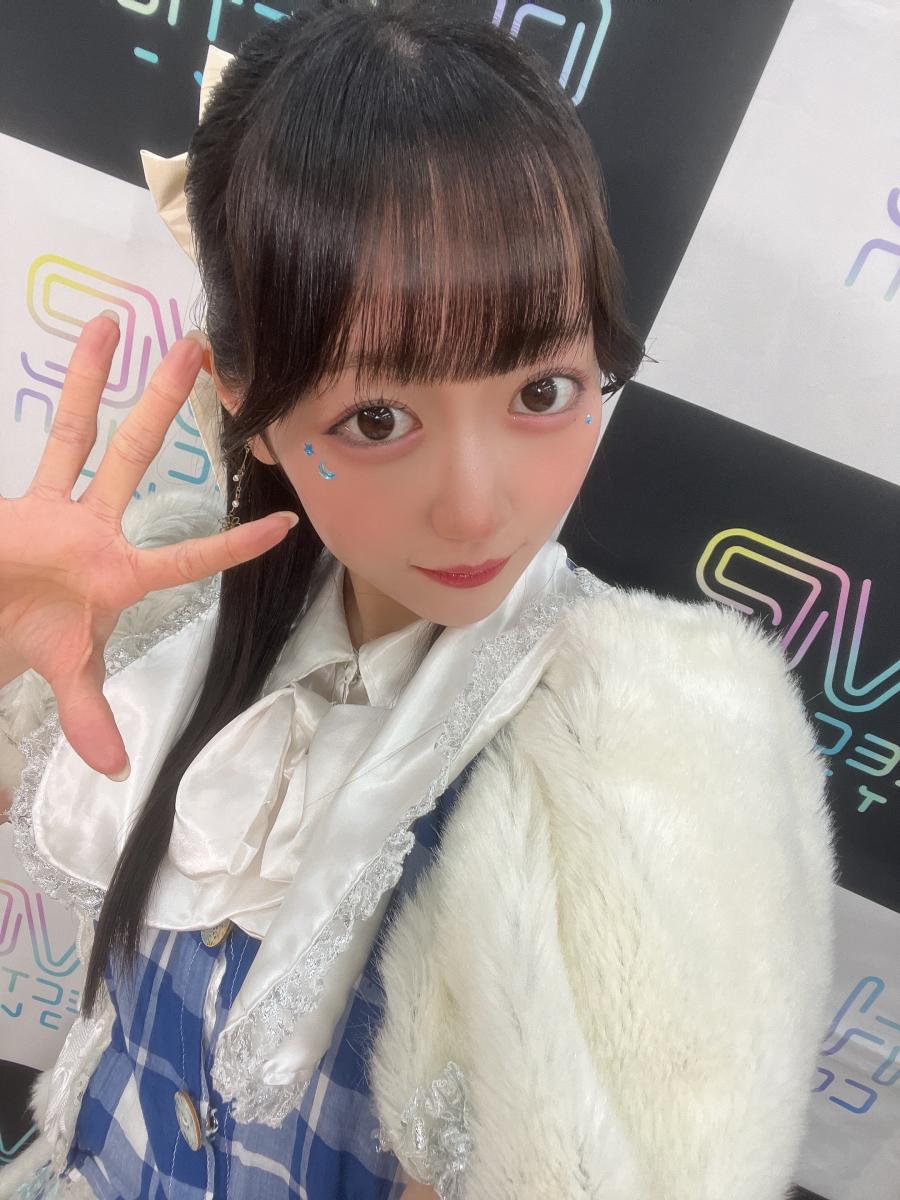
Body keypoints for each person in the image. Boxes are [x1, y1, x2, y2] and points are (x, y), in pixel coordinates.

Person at [0, 3, 837, 1197]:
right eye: (378, 417)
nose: (477, 508)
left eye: (542, 391)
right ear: (249, 406)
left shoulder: (642, 762)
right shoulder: (164, 609)